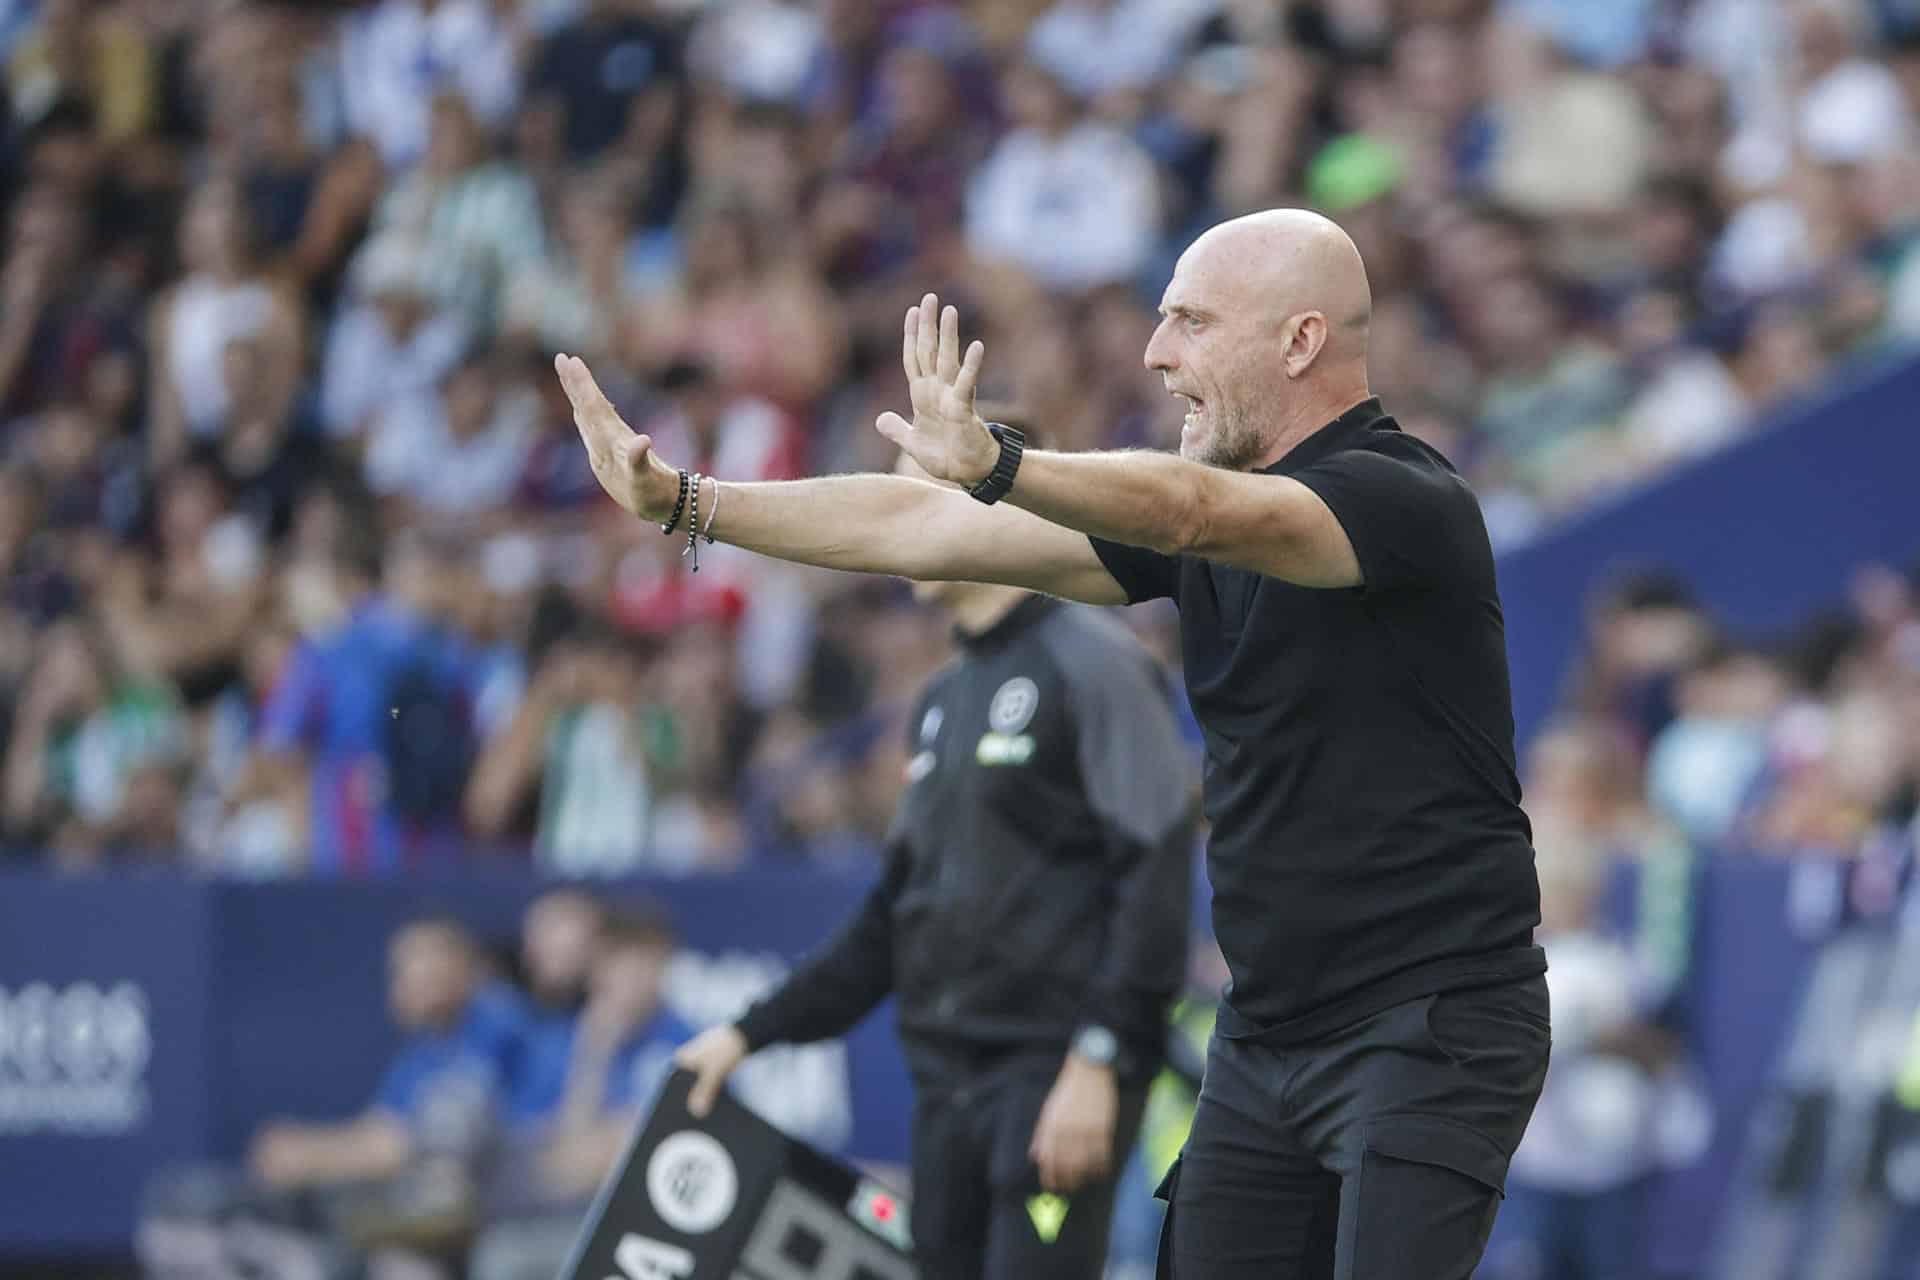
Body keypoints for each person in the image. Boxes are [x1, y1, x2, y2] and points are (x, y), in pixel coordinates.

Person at [558, 205, 1552, 1278]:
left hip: (1432, 1023)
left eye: (1190, 322)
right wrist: (688, 500)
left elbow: (1191, 511)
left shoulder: (1405, 500)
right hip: (1268, 1034)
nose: (1155, 351)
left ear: (1301, 341)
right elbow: (920, 524)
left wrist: (1000, 461)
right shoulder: (1185, 537)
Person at [671, 450, 1198, 1280]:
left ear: (982, 507)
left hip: (1051, 1076)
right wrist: (746, 1036)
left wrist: (1100, 1061)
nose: (894, 536)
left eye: (913, 503)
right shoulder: (941, 700)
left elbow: (1158, 870)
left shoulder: (1097, 663)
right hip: (946, 1087)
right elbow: (891, 920)